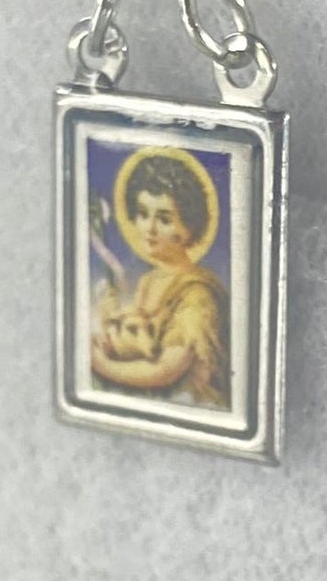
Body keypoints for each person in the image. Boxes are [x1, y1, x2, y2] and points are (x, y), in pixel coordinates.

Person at [89, 151, 229, 407]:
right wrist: (109, 325)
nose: (149, 229)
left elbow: (167, 369)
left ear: (188, 227)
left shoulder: (197, 294)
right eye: (143, 214)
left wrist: (103, 365)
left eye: (164, 219)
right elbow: (141, 348)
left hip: (191, 406)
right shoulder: (149, 281)